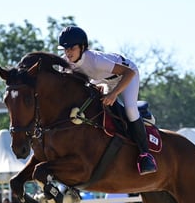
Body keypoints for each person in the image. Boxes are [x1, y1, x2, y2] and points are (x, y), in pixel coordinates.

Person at [58, 25, 157, 175]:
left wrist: (114, 94)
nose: (68, 52)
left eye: (72, 48)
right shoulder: (64, 64)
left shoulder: (95, 60)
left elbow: (128, 73)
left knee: (130, 109)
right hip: (102, 79)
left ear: (82, 47)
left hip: (126, 75)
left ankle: (145, 155)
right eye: (65, 49)